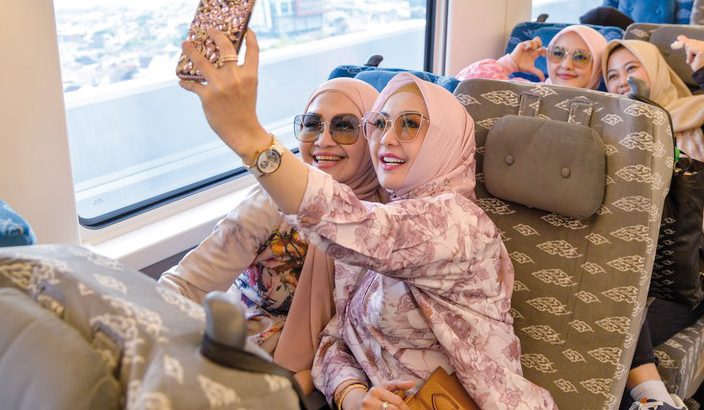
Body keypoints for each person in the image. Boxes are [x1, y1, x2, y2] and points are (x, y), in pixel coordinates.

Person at [178, 28, 557, 410]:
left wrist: (249, 137)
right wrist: (354, 395)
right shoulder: (381, 221)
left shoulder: (458, 223)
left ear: (443, 141)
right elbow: (336, 338)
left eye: (409, 124)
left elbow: (352, 226)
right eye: (380, 124)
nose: (387, 139)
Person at [159, 77, 386, 394]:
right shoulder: (274, 202)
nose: (323, 141)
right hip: (239, 359)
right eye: (311, 125)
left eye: (344, 127)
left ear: (372, 136)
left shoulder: (390, 220)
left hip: (324, 379)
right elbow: (186, 283)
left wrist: (310, 382)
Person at [602, 37, 704, 410]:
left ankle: (653, 399)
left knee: (613, 331)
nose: (621, 81)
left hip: (681, 275)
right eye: (611, 76)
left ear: (656, 70)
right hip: (622, 266)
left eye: (631, 69)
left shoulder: (695, 116)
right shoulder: (611, 127)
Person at [456, 24, 608, 89]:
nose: (566, 65)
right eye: (558, 53)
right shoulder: (529, 90)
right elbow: (465, 87)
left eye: (580, 57)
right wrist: (509, 64)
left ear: (598, 66)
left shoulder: (607, 109)